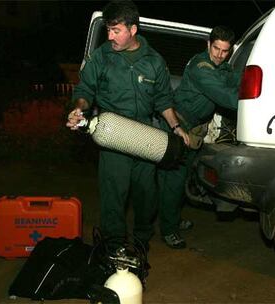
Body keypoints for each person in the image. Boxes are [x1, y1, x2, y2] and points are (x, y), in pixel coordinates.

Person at [66, 0, 189, 253]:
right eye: (108, 30)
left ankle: (142, 240)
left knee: (147, 196)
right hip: (111, 134)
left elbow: (163, 100)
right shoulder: (101, 57)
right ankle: (114, 247)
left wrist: (176, 127)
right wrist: (80, 108)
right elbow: (85, 90)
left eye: (116, 30)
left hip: (144, 136)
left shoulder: (154, 61)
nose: (110, 36)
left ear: (133, 30)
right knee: (114, 196)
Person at [158, 25, 240, 249]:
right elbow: (228, 97)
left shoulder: (222, 67)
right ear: (208, 45)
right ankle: (168, 230)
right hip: (177, 126)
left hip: (194, 130)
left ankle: (172, 219)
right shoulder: (201, 67)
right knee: (173, 182)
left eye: (225, 51)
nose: (219, 55)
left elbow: (236, 79)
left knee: (182, 178)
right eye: (216, 49)